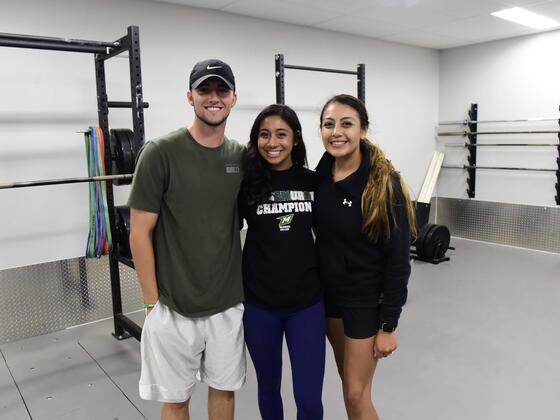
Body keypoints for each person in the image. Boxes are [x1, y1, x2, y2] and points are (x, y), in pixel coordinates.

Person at [128, 59, 246, 420]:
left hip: (226, 304)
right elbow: (139, 232)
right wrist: (152, 303)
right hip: (173, 306)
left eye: (221, 90)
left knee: (224, 391)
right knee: (176, 400)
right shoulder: (160, 152)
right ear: (189, 97)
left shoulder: (241, 157)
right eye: (204, 90)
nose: (213, 98)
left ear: (233, 98)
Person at [314, 94, 416, 420]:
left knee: (357, 395)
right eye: (329, 124)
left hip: (364, 302)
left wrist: (388, 324)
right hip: (330, 300)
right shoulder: (320, 178)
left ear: (363, 130)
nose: (336, 132)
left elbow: (399, 262)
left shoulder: (385, 185)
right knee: (351, 388)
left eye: (347, 124)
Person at [239, 104, 325, 420]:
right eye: (264, 135)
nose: (272, 142)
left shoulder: (313, 182)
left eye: (281, 134)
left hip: (307, 305)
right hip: (259, 306)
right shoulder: (246, 184)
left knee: (309, 398)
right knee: (268, 387)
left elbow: (333, 238)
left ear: (296, 139)